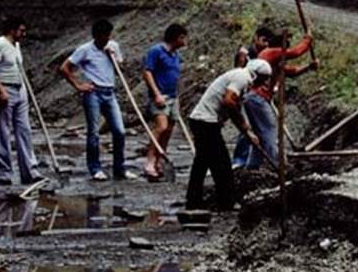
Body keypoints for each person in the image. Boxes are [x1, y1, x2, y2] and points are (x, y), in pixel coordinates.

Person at [185, 59, 269, 212]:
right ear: (257, 75)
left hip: (202, 121)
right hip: (205, 122)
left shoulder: (242, 79)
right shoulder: (242, 77)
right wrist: (245, 128)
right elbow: (229, 102)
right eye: (263, 79)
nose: (264, 83)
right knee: (221, 164)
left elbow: (233, 107)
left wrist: (247, 131)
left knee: (202, 163)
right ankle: (225, 203)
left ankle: (193, 202)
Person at [60, 18, 137, 181]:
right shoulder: (85, 50)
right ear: (97, 36)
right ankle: (95, 168)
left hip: (110, 92)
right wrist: (78, 85)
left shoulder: (113, 46)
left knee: (120, 131)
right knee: (94, 133)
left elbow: (120, 70)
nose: (107, 39)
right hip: (93, 92)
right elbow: (65, 68)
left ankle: (119, 168)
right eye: (104, 36)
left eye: (109, 36)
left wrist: (113, 58)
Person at [232, 29, 317, 171]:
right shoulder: (270, 52)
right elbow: (296, 52)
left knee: (260, 134)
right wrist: (307, 40)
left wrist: (309, 67)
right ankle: (277, 166)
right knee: (269, 132)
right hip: (257, 98)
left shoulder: (274, 60)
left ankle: (253, 166)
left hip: (256, 99)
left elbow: (291, 72)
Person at [0, 17, 41, 186]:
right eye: (21, 30)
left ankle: (29, 171)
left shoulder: (16, 46)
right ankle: (3, 172)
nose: (24, 34)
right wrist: (0, 89)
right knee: (4, 130)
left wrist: (24, 89)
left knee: (24, 129)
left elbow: (18, 67)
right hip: (6, 88)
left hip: (20, 88)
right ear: (12, 30)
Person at [142, 22, 188, 181]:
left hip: (173, 96)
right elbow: (147, 72)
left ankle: (161, 158)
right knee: (161, 126)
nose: (185, 41)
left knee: (169, 130)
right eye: (183, 37)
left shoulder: (176, 55)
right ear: (176, 38)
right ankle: (150, 160)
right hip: (160, 95)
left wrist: (178, 96)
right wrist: (156, 94)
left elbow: (176, 76)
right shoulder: (156, 51)